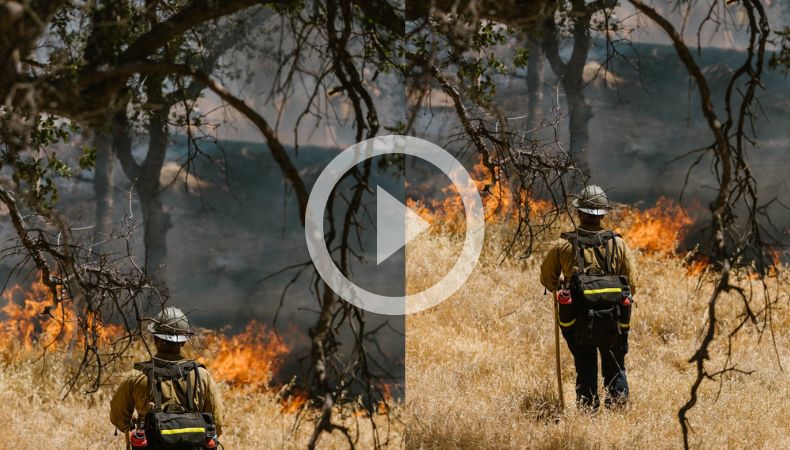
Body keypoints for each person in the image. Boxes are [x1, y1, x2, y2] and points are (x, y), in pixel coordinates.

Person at [539, 185, 639, 410]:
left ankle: (588, 411)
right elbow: (632, 283)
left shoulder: (564, 245)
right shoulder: (618, 244)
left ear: (579, 213)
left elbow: (547, 280)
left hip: (577, 321)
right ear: (603, 214)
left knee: (585, 366)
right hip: (615, 320)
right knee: (615, 365)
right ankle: (617, 411)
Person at [110, 306, 225, 447]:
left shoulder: (136, 376)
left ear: (155, 338)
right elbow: (217, 421)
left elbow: (118, 416)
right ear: (183, 341)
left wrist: (135, 425)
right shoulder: (202, 376)